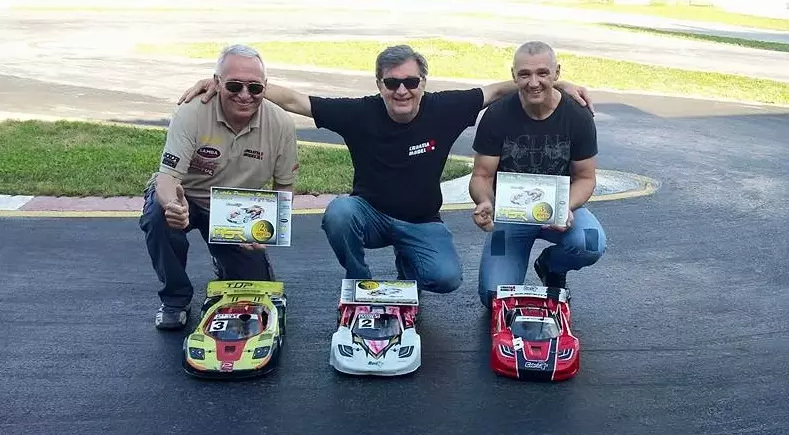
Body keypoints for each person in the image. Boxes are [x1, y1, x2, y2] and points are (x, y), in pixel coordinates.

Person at [178, 44, 593, 296]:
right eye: (392, 83)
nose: (402, 90)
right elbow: (296, 101)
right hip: (370, 216)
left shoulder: (446, 108)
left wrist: (558, 85)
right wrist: (233, 84)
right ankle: (358, 283)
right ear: (379, 85)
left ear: (423, 82)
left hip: (422, 222)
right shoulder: (360, 113)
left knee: (447, 279)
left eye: (411, 82)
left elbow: (500, 88)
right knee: (339, 212)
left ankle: (407, 263)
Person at [142, 44, 299, 330]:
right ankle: (175, 299)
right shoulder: (191, 113)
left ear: (265, 87)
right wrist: (172, 204)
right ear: (216, 82)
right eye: (234, 86)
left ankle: (224, 261)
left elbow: (284, 187)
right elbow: (167, 178)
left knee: (257, 291)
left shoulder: (282, 125)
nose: (244, 95)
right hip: (188, 198)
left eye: (254, 88)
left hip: (236, 211)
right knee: (158, 216)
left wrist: (271, 228)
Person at [468, 41, 607, 308]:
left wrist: (565, 206)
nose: (534, 83)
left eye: (542, 73)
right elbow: (482, 175)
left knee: (591, 243)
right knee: (494, 296)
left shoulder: (577, 115)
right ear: (513, 75)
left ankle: (551, 266)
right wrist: (485, 200)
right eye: (525, 74)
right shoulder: (497, 114)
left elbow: (586, 178)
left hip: (559, 210)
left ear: (557, 72)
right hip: (510, 215)